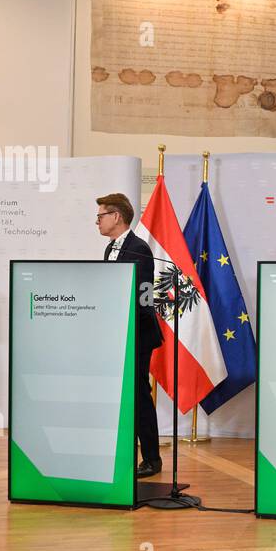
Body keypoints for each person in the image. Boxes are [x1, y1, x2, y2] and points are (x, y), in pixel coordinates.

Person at [97, 193, 164, 478]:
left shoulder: (140, 249)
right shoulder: (110, 248)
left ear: (116, 216)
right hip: (115, 334)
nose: (97, 221)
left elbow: (144, 298)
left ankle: (151, 458)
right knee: (121, 396)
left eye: (101, 216)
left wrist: (124, 325)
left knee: (139, 395)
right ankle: (125, 452)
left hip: (137, 335)